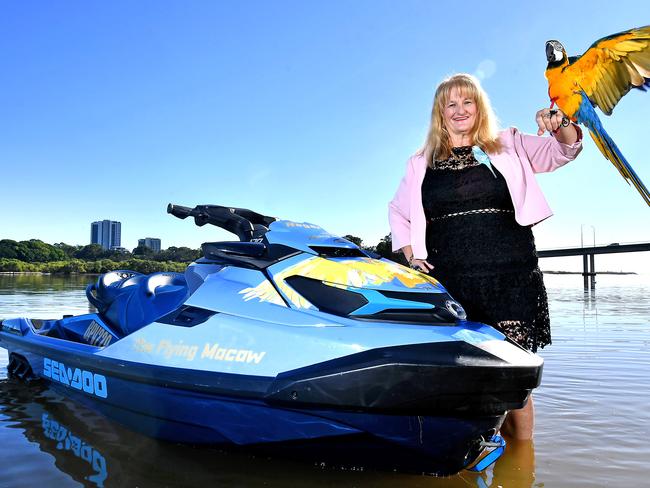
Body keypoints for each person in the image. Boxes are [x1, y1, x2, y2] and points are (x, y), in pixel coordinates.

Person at [388, 73, 582, 440]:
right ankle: (473, 452)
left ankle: (523, 463)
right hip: (451, 281)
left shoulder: (507, 143)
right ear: (440, 114)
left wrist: (563, 124)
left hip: (510, 274)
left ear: (480, 108)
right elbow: (398, 212)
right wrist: (414, 257)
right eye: (451, 104)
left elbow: (562, 151)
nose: (460, 110)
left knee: (512, 378)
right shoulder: (419, 163)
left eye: (468, 102)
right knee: (464, 374)